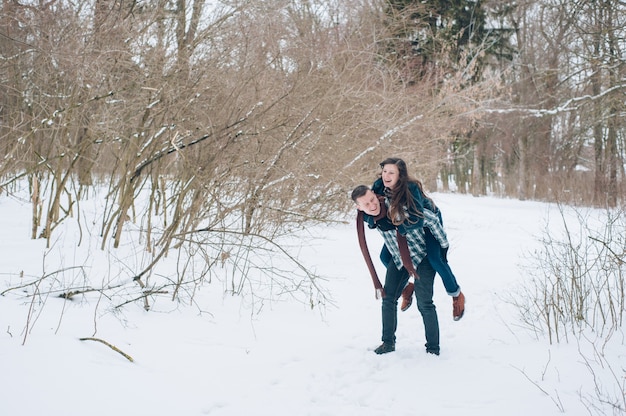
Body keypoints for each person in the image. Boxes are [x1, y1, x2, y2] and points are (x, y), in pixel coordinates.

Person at [352, 185, 441, 355]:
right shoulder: (365, 216)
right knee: (388, 298)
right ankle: (388, 343)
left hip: (423, 256)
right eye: (365, 204)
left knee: (425, 303)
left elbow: (431, 219)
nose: (372, 206)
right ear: (359, 208)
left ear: (375, 195)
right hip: (400, 257)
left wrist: (441, 248)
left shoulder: (395, 205)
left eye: (372, 200)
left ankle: (433, 348)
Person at [374, 157, 465, 321]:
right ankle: (407, 288)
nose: (386, 175)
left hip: (427, 224)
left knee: (435, 259)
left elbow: (419, 218)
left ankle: (456, 294)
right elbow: (370, 208)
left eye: (391, 173)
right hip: (401, 225)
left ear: (400, 175)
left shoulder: (411, 188)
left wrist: (401, 228)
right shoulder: (379, 186)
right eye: (384, 171)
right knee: (385, 257)